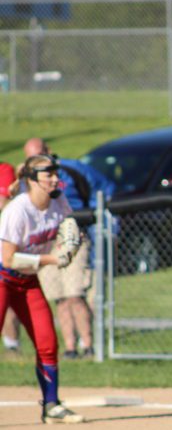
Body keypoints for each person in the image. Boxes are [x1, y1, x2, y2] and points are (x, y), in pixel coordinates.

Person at [0, 154, 84, 423]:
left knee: (47, 341)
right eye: (49, 175)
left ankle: (51, 405)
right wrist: (52, 259)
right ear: (32, 180)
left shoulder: (58, 200)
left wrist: (71, 242)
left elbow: (67, 228)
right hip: (2, 278)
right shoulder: (17, 210)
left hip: (27, 282)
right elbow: (8, 259)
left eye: (55, 173)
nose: (55, 179)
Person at [23, 138, 115, 358]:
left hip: (73, 237)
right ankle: (70, 347)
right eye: (31, 157)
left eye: (40, 154)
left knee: (75, 294)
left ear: (49, 151)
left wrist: (97, 219)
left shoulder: (72, 170)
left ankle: (88, 345)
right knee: (59, 297)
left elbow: (105, 189)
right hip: (46, 242)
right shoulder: (27, 180)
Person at [0, 161, 22, 353]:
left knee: (7, 297)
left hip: (5, 245)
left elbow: (4, 202)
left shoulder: (4, 170)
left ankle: (12, 345)